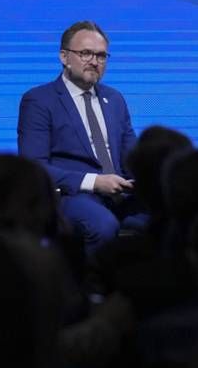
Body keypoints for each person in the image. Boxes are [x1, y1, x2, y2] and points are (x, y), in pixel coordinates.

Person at [17, 20, 139, 251]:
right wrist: (95, 182)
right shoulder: (40, 100)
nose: (94, 62)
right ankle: (91, 287)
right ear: (64, 57)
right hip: (72, 195)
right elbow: (33, 167)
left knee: (170, 220)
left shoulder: (114, 99)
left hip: (120, 194)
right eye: (86, 54)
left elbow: (131, 155)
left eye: (101, 56)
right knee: (102, 225)